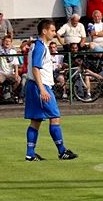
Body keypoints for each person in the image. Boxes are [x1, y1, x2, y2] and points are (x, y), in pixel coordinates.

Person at [23, 19, 78, 161]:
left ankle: (30, 153)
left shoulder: (36, 45)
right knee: (54, 117)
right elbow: (36, 68)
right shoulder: (40, 46)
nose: (54, 33)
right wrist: (42, 89)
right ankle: (62, 151)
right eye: (53, 30)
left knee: (36, 120)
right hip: (40, 86)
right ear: (44, 31)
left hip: (33, 85)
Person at [0, 35, 22, 103]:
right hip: (1, 73)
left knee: (19, 79)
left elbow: (16, 64)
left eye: (9, 41)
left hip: (10, 73)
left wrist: (16, 74)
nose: (7, 42)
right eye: (6, 41)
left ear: (11, 43)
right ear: (3, 42)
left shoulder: (13, 51)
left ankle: (11, 93)